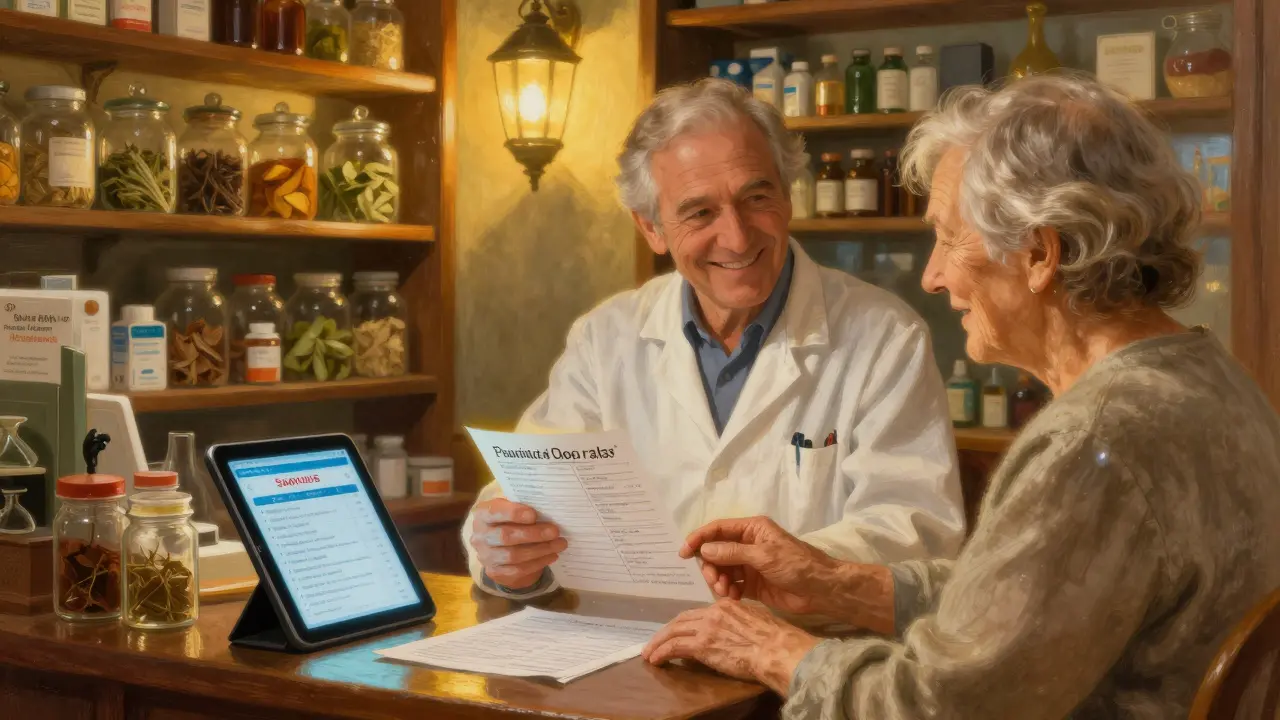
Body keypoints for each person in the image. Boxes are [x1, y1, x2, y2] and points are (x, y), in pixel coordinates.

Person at [641, 73, 1280, 719]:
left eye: (948, 237)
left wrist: (777, 654)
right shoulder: (1207, 380)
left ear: (1038, 253)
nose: (933, 275)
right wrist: (836, 584)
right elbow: (1034, 608)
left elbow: (938, 707)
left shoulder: (1094, 444)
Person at [464, 78, 966, 599]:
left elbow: (916, 532)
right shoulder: (604, 339)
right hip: (635, 651)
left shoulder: (885, 337)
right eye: (700, 212)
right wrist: (508, 552)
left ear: (788, 194)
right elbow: (530, 488)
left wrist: (783, 569)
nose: (737, 236)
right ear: (652, 229)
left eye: (756, 197)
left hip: (806, 658)